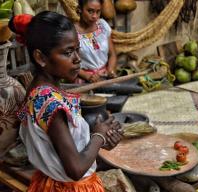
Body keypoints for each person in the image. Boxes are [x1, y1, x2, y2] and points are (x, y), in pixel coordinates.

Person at [10, 11, 123, 192]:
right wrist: (99, 136)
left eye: (77, 49)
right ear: (41, 58)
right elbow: (75, 169)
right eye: (68, 52)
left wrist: (98, 142)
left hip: (48, 183)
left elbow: (49, 143)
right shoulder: (51, 104)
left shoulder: (36, 90)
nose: (78, 59)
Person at [75, 0, 117, 83]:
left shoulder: (103, 26)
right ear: (79, 9)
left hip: (104, 78)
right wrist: (87, 76)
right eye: (90, 11)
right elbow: (69, 64)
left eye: (98, 12)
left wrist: (110, 70)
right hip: (83, 81)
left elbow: (112, 54)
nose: (95, 16)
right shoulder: (72, 33)